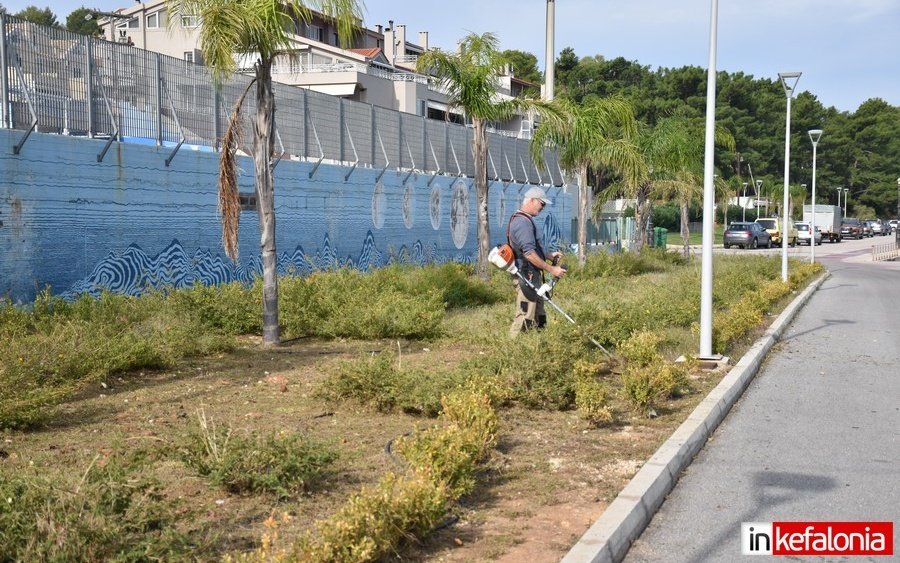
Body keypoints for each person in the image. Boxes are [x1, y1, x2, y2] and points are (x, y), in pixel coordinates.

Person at [507, 186, 566, 336]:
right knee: (525, 314)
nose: (543, 208)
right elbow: (529, 254)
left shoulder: (525, 220)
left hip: (532, 275)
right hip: (526, 276)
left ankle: (539, 345)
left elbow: (531, 250)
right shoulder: (522, 223)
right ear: (532, 200)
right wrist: (552, 269)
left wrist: (548, 255)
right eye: (542, 204)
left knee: (539, 313)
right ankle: (513, 352)